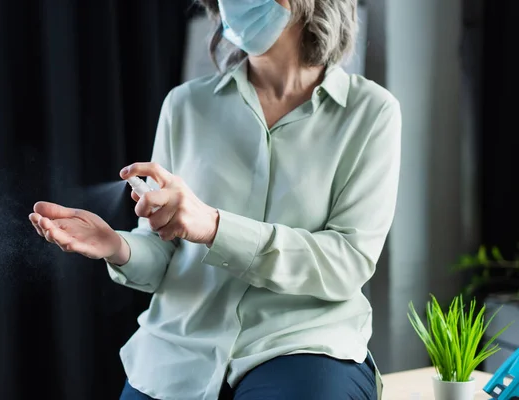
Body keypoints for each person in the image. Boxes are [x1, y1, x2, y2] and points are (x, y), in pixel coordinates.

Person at [28, 0, 401, 398]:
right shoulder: (185, 106)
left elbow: (348, 260)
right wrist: (117, 246)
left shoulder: (370, 113)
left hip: (302, 345)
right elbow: (164, 254)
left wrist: (216, 228)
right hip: (178, 351)